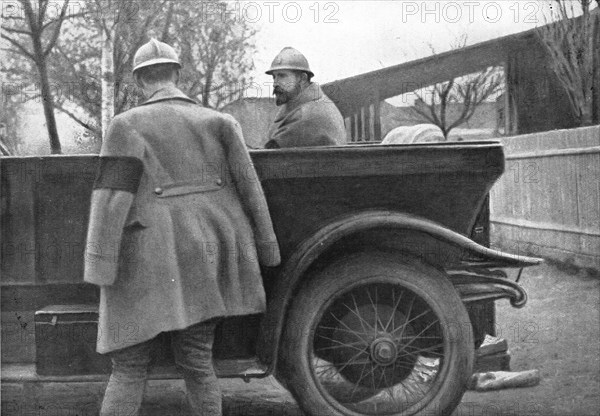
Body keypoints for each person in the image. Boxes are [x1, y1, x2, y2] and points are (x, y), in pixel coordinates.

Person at [83, 38, 280, 416]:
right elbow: (250, 187)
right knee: (197, 361)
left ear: (139, 79)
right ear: (177, 73)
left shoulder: (125, 125)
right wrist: (267, 245)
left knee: (128, 367)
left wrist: (99, 265)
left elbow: (110, 199)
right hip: (207, 255)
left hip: (147, 260)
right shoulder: (220, 122)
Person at [265, 47, 347, 148]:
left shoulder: (306, 115)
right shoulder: (312, 104)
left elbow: (269, 157)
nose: (275, 83)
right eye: (274, 77)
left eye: (282, 76)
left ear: (302, 79)